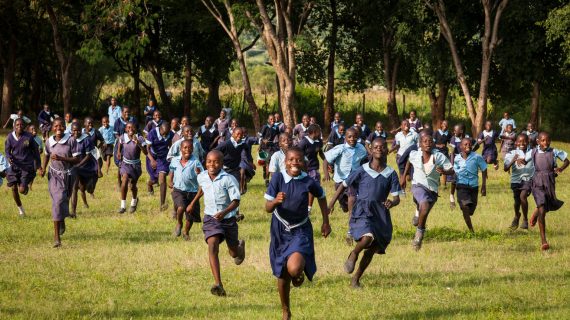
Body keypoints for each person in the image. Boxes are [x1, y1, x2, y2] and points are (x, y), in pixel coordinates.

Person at [264, 147, 331, 319]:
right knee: (282, 273)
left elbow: (322, 196)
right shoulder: (278, 178)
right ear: (285, 161)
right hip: (279, 229)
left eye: (299, 160)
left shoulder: (308, 181)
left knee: (293, 268)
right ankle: (285, 309)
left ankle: (298, 272)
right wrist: (276, 201)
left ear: (304, 163)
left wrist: (325, 221)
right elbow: (267, 208)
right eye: (291, 159)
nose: (295, 163)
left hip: (300, 229)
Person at [328, 138, 401, 288]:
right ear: (371, 150)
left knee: (372, 249)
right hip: (363, 210)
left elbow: (396, 198)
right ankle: (354, 253)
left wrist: (392, 202)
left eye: (382, 147)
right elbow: (343, 185)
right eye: (375, 147)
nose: (379, 149)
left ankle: (356, 279)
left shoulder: (391, 173)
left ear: (387, 150)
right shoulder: (362, 170)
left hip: (381, 214)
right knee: (367, 238)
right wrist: (331, 203)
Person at [186, 150, 246, 297]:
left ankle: (239, 248)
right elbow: (202, 188)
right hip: (211, 218)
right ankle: (218, 284)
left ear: (222, 163)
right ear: (205, 162)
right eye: (209, 161)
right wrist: (193, 202)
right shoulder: (202, 176)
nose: (212, 164)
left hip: (228, 219)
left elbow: (236, 201)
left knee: (233, 254)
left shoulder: (228, 179)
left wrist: (224, 212)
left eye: (216, 162)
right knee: (212, 244)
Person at [401, 133, 454, 250]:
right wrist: (403, 177)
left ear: (434, 144)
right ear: (420, 144)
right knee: (424, 205)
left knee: (423, 212)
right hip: (417, 185)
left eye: (430, 141)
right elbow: (409, 161)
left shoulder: (439, 156)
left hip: (432, 190)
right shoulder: (415, 154)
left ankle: (418, 215)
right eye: (425, 141)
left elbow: (451, 170)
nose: (428, 144)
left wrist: (445, 172)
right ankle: (419, 236)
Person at [324, 127, 368, 244]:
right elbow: (326, 159)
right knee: (345, 206)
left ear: (357, 137)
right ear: (345, 138)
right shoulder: (340, 149)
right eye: (349, 137)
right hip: (339, 181)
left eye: (354, 137)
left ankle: (350, 232)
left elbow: (365, 160)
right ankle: (344, 206)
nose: (352, 139)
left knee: (352, 203)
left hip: (353, 181)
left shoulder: (361, 149)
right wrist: (326, 172)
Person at [40, 118, 80, 247]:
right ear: (52, 128)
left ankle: (62, 218)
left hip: (68, 175)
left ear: (64, 127)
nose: (58, 128)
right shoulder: (49, 141)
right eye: (56, 126)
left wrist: (61, 158)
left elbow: (76, 159)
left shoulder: (71, 140)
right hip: (54, 175)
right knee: (57, 200)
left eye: (61, 126)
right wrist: (43, 168)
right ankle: (57, 238)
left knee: (64, 199)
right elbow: (46, 155)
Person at [528, 132, 569, 251]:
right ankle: (543, 241)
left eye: (547, 140)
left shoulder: (554, 152)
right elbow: (524, 161)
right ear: (538, 141)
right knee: (542, 208)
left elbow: (567, 161)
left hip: (549, 181)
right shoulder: (533, 152)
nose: (545, 143)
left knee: (546, 204)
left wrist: (560, 168)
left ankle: (535, 214)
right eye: (542, 140)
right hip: (537, 182)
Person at [5, 118, 42, 217]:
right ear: (14, 126)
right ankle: (21, 210)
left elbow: (36, 152)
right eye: (17, 125)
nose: (19, 127)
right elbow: (7, 151)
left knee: (22, 190)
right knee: (13, 188)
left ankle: (24, 186)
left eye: (21, 125)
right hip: (15, 166)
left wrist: (39, 166)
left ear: (24, 127)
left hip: (26, 167)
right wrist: (9, 158)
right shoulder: (10, 137)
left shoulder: (28, 137)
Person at [169, 140, 203, 240]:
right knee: (181, 207)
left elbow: (202, 176)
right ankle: (179, 223)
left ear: (192, 149)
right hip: (178, 189)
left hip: (192, 192)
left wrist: (199, 173)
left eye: (190, 148)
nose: (187, 149)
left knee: (190, 216)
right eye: (185, 147)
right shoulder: (175, 160)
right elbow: (172, 170)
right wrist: (170, 180)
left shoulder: (196, 162)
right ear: (181, 149)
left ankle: (186, 232)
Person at [453, 138, 487, 233]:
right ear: (461, 146)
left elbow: (484, 169)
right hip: (461, 185)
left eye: (470, 144)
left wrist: (484, 185)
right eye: (465, 144)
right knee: (465, 207)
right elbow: (454, 171)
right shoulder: (457, 158)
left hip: (473, 186)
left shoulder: (477, 157)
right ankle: (471, 230)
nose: (468, 146)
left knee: (470, 211)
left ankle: (467, 213)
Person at [116, 122, 147, 213]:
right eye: (128, 127)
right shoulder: (123, 137)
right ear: (126, 129)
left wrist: (138, 144)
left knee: (133, 186)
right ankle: (123, 206)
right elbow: (120, 144)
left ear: (136, 129)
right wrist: (118, 152)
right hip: (125, 164)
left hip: (135, 166)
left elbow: (145, 152)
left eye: (133, 127)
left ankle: (134, 202)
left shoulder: (140, 138)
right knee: (124, 180)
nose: (130, 129)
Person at [504, 134, 534, 231]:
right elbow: (505, 168)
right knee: (517, 202)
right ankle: (517, 216)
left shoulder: (532, 152)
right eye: (519, 142)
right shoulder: (511, 153)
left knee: (523, 196)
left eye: (524, 141)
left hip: (528, 180)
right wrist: (514, 160)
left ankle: (525, 219)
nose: (522, 143)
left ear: (528, 141)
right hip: (515, 181)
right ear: (516, 143)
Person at [70, 123, 99, 218]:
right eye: (74, 130)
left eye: (78, 130)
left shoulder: (86, 140)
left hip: (88, 167)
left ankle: (90, 188)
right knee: (74, 188)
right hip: (76, 168)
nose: (76, 132)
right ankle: (73, 212)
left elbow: (88, 156)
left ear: (81, 130)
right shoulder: (70, 140)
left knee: (87, 189)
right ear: (71, 131)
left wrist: (79, 164)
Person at [145, 122, 174, 210]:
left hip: (163, 158)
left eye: (167, 133)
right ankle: (149, 184)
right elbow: (147, 148)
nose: (165, 135)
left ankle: (162, 204)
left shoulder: (170, 134)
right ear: (160, 129)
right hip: (152, 156)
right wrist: (152, 160)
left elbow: (170, 145)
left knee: (162, 177)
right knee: (154, 180)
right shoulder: (152, 133)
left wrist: (171, 156)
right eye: (164, 134)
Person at [297, 124, 325, 213]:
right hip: (303, 169)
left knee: (313, 187)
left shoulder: (319, 142)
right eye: (319, 132)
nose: (320, 134)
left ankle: (308, 209)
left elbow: (320, 153)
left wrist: (327, 162)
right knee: (303, 188)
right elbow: (298, 154)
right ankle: (300, 205)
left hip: (314, 168)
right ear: (313, 132)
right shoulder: (303, 142)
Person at [259, 115, 280, 186]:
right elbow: (259, 135)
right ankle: (265, 172)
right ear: (268, 120)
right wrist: (263, 140)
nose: (272, 121)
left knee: (269, 162)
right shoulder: (265, 127)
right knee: (264, 164)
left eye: (274, 120)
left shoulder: (276, 128)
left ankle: (268, 180)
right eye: (271, 120)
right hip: (263, 147)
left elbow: (279, 136)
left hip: (271, 147)